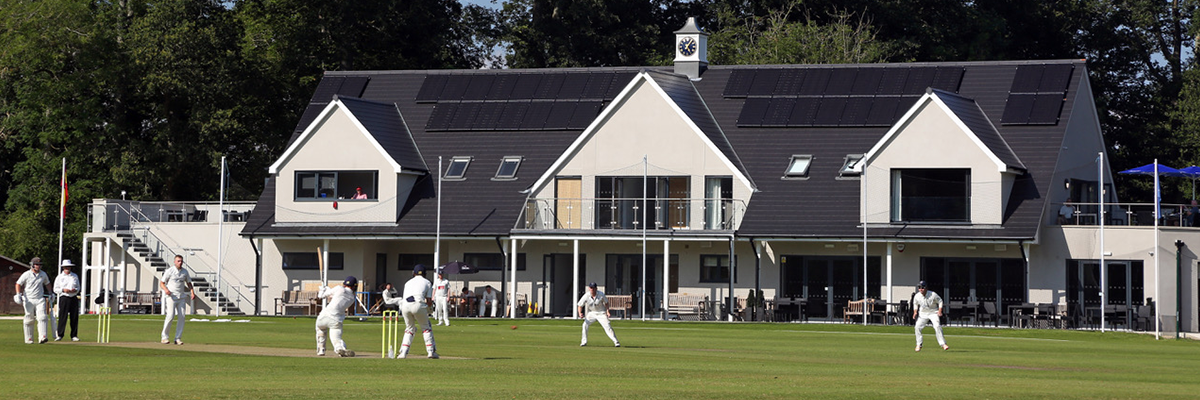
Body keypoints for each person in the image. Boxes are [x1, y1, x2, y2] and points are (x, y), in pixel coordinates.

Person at [398, 264, 438, 359]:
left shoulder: (407, 283)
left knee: (409, 329)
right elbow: (429, 300)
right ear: (425, 274)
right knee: (426, 328)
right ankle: (430, 352)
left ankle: (403, 352)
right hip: (418, 304)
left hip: (405, 306)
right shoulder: (428, 282)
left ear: (413, 273)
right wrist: (430, 309)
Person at [315, 276, 359, 357]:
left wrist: (322, 290)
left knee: (320, 329)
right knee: (336, 339)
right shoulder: (352, 298)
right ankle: (339, 348)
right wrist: (328, 290)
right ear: (354, 286)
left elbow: (321, 296)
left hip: (323, 316)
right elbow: (338, 297)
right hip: (336, 320)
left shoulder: (339, 288)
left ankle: (321, 350)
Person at [160, 255, 196, 345]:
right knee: (170, 316)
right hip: (171, 296)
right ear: (174, 262)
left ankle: (178, 338)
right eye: (178, 261)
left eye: (181, 261)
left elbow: (189, 283)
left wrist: (192, 292)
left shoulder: (185, 272)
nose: (180, 263)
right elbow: (162, 282)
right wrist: (166, 290)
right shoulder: (170, 271)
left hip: (181, 297)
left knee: (182, 316)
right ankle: (164, 337)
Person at [15, 257, 52, 344]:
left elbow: (48, 283)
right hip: (29, 299)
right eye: (36, 264)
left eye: (39, 265)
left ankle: (43, 337)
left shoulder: (43, 274)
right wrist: (18, 294)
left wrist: (50, 293)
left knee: (42, 317)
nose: (38, 266)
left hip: (40, 299)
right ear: (32, 265)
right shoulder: (26, 274)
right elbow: (18, 283)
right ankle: (29, 339)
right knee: (29, 318)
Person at [577, 282, 620, 347]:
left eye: (593, 288)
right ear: (589, 288)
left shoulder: (601, 294)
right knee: (585, 325)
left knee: (608, 326)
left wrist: (607, 311)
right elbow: (580, 305)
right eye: (591, 288)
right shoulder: (586, 295)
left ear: (596, 288)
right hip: (592, 313)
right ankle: (583, 342)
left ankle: (616, 342)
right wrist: (580, 313)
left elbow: (606, 303)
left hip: (601, 313)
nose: (592, 289)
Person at [912, 281, 948, 351]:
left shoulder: (933, 294)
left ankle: (943, 344)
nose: (921, 289)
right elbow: (915, 304)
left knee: (937, 326)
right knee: (917, 327)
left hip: (933, 312)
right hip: (923, 314)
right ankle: (919, 344)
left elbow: (940, 301)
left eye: (922, 287)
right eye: (919, 287)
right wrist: (915, 312)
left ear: (926, 288)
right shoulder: (917, 296)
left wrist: (940, 310)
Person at [53, 259, 81, 341]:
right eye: (66, 267)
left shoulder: (74, 276)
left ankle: (74, 335)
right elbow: (55, 289)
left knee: (74, 317)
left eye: (69, 267)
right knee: (62, 317)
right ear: (63, 267)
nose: (67, 268)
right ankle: (60, 335)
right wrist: (63, 290)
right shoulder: (59, 277)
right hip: (64, 297)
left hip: (73, 297)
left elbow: (78, 287)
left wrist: (75, 290)